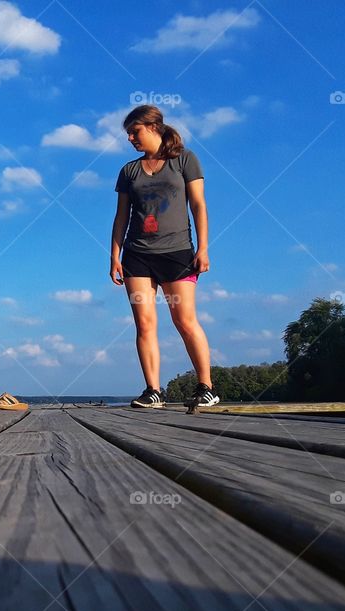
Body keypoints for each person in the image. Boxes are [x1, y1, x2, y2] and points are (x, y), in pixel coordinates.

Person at [109, 105, 219, 409]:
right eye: (128, 133)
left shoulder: (185, 160)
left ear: (154, 127)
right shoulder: (129, 171)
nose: (130, 138)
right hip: (137, 256)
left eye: (135, 131)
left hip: (177, 253)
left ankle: (206, 387)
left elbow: (198, 205)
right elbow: (121, 216)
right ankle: (153, 390)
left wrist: (203, 248)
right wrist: (115, 255)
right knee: (144, 324)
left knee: (184, 320)